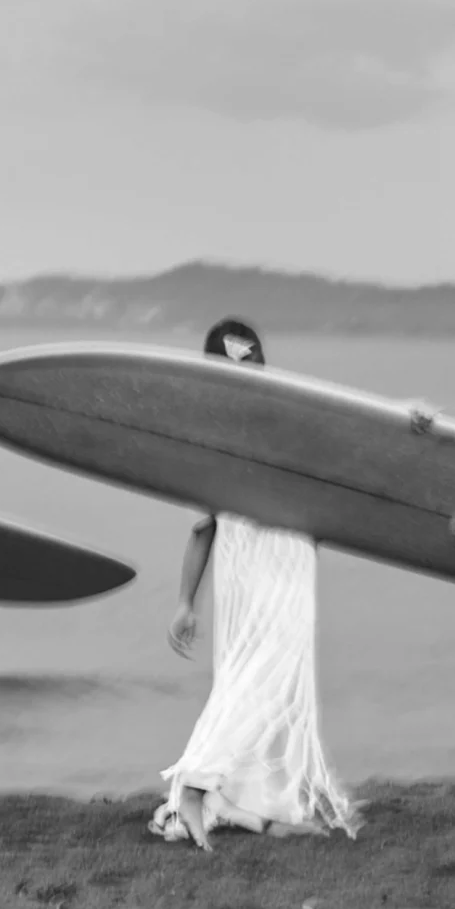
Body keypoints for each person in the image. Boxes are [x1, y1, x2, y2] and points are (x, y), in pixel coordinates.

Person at [148, 318, 363, 849]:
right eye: (235, 367)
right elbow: (203, 527)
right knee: (255, 683)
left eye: (251, 365)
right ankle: (194, 784)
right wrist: (184, 602)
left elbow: (344, 468)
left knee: (277, 686)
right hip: (252, 572)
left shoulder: (282, 425)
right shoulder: (215, 441)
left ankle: (256, 806)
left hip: (288, 566)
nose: (246, 377)